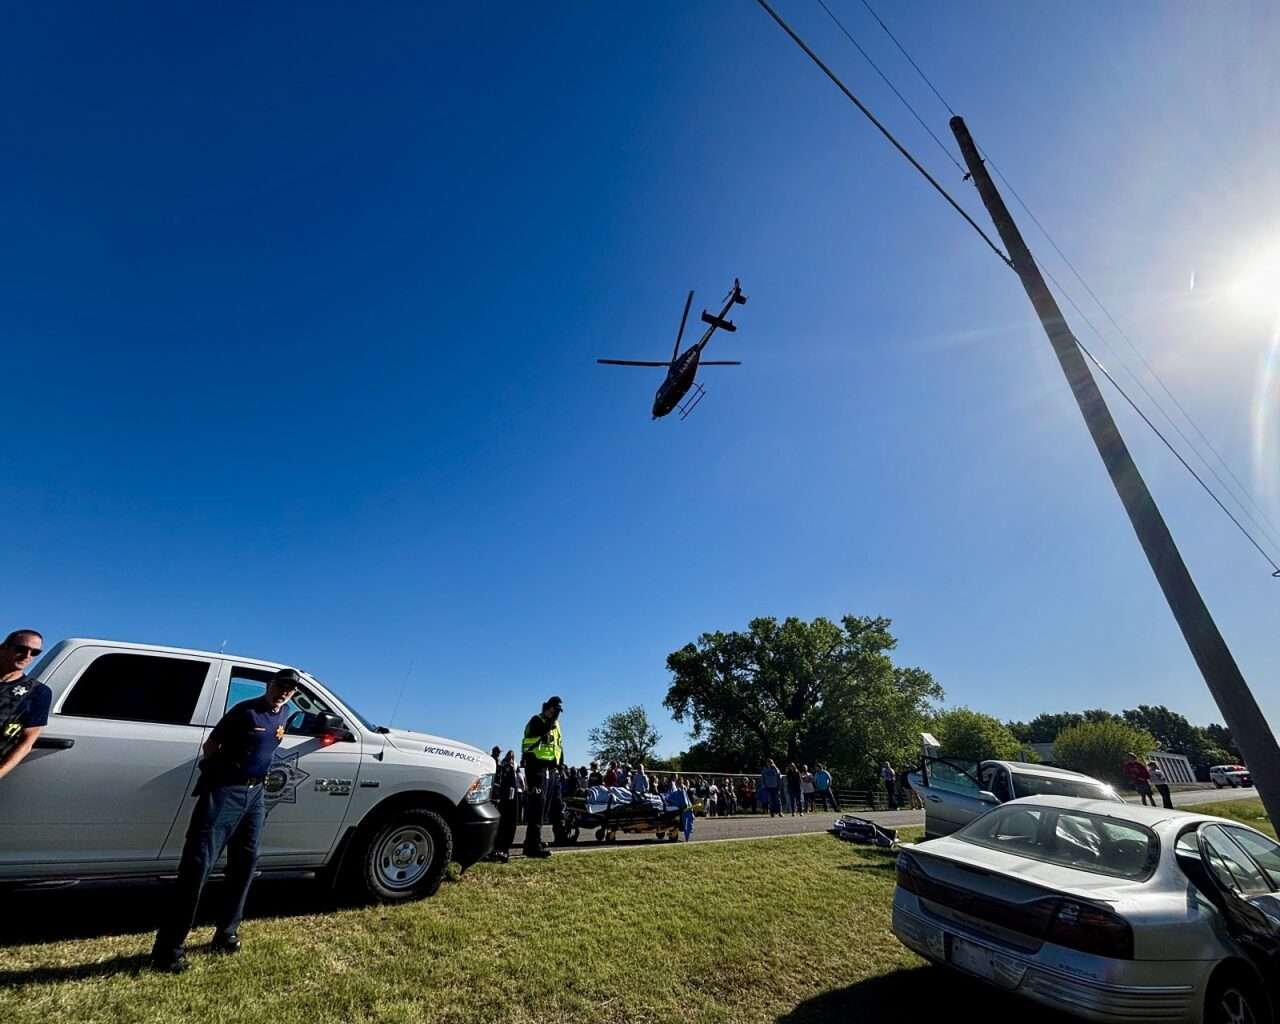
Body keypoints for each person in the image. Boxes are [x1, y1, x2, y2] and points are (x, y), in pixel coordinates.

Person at [152, 668, 301, 973]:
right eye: (281, 685)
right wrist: (220, 775)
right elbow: (211, 746)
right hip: (225, 792)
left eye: (291, 689)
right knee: (198, 867)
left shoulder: (284, 714)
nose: (285, 691)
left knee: (246, 863)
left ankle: (226, 933)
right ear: (270, 685)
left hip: (255, 795)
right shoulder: (244, 711)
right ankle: (169, 950)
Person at [0, 629, 51, 783]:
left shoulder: (37, 692)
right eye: (21, 649)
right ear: (3, 648)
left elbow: (27, 742)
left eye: (34, 652)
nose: (27, 656)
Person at [521, 695, 564, 859]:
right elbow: (538, 732)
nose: (555, 713)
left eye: (557, 711)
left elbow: (558, 746)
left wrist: (560, 765)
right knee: (537, 806)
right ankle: (532, 845)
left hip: (551, 768)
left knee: (547, 807)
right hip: (536, 766)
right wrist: (551, 722)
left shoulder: (556, 725)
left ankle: (535, 840)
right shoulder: (537, 720)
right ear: (547, 707)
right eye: (554, 710)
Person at [491, 750, 520, 862]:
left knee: (508, 822)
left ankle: (503, 848)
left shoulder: (510, 767)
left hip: (509, 796)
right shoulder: (505, 767)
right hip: (506, 796)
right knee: (506, 822)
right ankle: (500, 848)